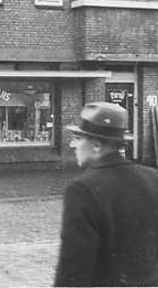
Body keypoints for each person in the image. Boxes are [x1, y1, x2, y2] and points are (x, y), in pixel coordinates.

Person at [55, 102, 158, 286]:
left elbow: (73, 269)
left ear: (96, 145)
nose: (72, 144)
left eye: (78, 138)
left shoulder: (82, 190)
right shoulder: (153, 178)